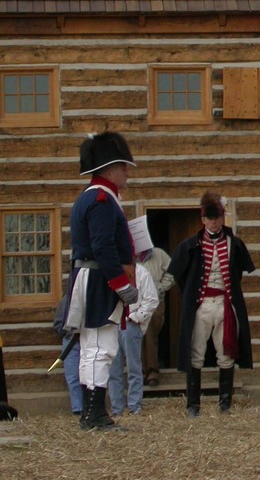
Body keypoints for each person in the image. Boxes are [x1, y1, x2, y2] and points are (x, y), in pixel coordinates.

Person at [65, 130, 138, 431]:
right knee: (100, 347)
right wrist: (121, 283)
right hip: (97, 278)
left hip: (93, 276)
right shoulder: (100, 200)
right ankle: (95, 415)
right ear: (109, 169)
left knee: (93, 347)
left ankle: (91, 413)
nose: (126, 174)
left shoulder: (96, 197)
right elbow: (103, 246)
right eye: (123, 168)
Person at [168, 192, 255, 417]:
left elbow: (239, 274)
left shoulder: (234, 244)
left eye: (217, 217)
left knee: (225, 353)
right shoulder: (190, 245)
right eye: (210, 218)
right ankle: (193, 405)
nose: (214, 222)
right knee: (195, 352)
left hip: (225, 303)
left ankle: (224, 403)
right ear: (203, 219)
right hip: (202, 305)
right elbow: (180, 277)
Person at [108, 259, 158, 416]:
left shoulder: (141, 272)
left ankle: (134, 407)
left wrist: (136, 317)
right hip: (112, 323)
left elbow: (151, 299)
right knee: (113, 370)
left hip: (130, 323)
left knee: (134, 368)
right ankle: (117, 408)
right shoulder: (110, 270)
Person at [138, 246, 174, 388]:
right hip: (134, 302)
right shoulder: (127, 255)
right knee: (134, 336)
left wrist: (159, 287)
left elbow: (172, 271)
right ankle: (138, 372)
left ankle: (152, 372)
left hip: (154, 301)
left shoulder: (159, 254)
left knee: (150, 335)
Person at [53, 288, 83, 415]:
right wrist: (67, 332)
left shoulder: (92, 298)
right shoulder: (66, 300)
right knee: (72, 376)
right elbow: (58, 323)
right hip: (71, 340)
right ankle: (77, 408)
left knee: (90, 374)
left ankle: (90, 406)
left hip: (89, 340)